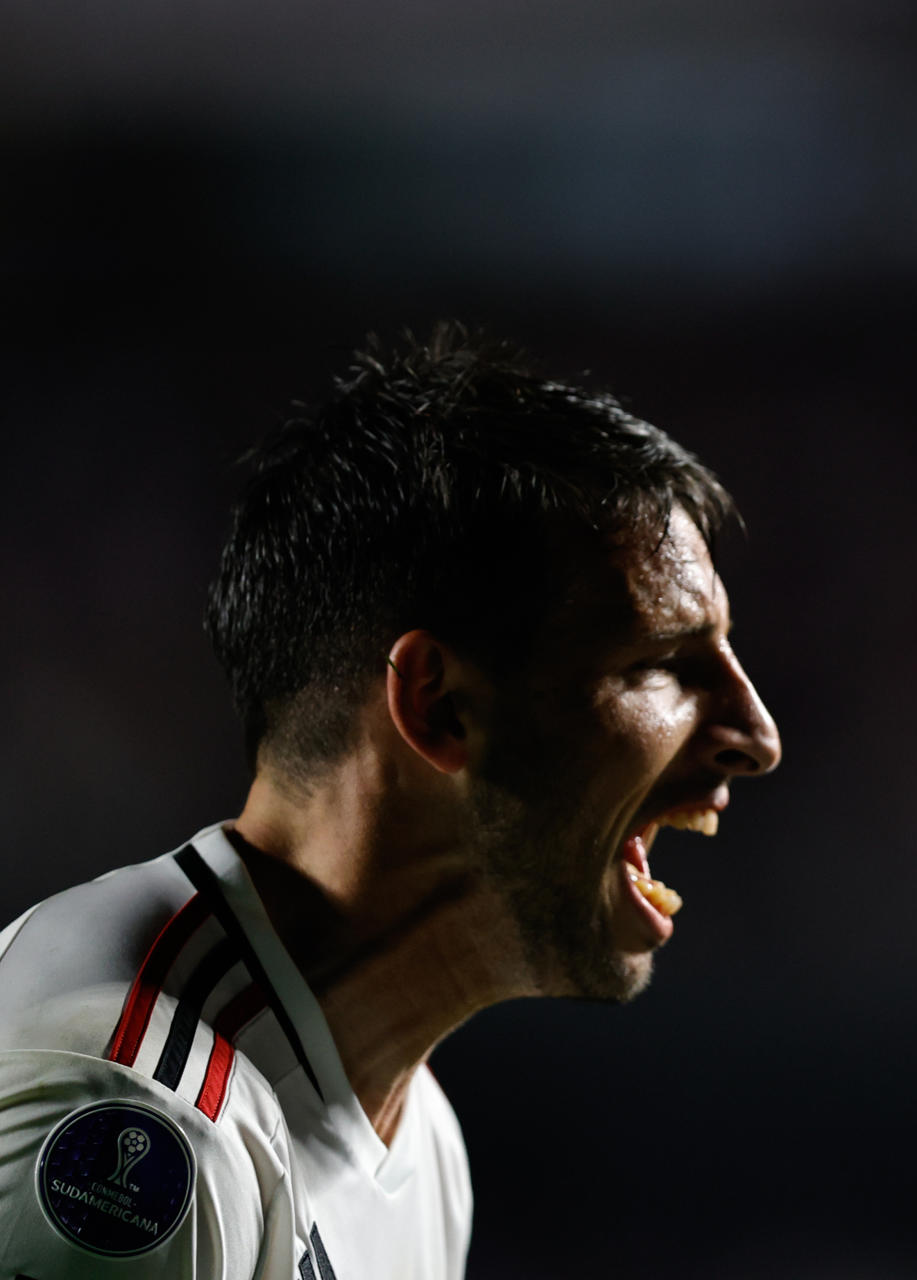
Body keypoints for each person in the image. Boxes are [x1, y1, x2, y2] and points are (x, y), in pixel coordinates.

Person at [0, 326, 781, 1275]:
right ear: (438, 705)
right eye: (663, 664)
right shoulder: (139, 1144)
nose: (756, 735)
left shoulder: (418, 1140)